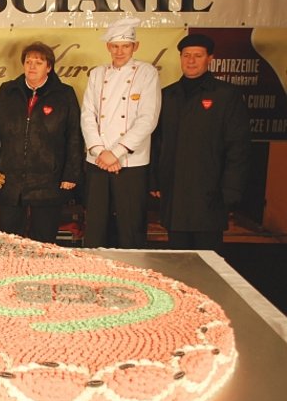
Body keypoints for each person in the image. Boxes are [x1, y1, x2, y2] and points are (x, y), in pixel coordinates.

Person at [150, 33, 250, 251]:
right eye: (186, 55)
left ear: (210, 58)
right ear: (180, 58)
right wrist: (154, 179)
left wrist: (231, 189)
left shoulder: (226, 95)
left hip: (210, 191)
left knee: (207, 256)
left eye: (198, 55)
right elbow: (157, 142)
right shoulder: (167, 95)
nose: (191, 61)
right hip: (174, 190)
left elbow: (238, 147)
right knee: (177, 256)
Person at [0, 41, 83, 243]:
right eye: (28, 62)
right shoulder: (7, 91)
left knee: (44, 240)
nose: (32, 66)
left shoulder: (64, 94)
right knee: (9, 240)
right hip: (10, 179)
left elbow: (74, 136)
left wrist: (71, 173)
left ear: (49, 67)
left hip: (49, 180)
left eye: (38, 62)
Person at [80, 18, 161, 248]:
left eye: (126, 46)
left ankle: (132, 268)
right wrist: (100, 151)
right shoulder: (97, 73)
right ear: (108, 47)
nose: (120, 51)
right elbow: (88, 115)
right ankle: (94, 265)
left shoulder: (147, 73)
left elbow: (148, 119)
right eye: (115, 46)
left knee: (131, 225)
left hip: (131, 162)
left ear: (135, 46)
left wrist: (115, 152)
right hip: (98, 161)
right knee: (95, 224)